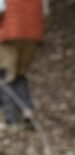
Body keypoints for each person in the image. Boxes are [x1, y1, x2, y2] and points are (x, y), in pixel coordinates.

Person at [0, 0, 44, 129]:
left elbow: (1, 9)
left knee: (6, 76)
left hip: (9, 35)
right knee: (20, 74)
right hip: (33, 36)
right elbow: (44, 11)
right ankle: (27, 111)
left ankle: (11, 119)